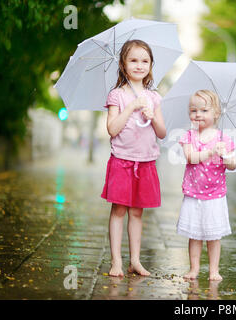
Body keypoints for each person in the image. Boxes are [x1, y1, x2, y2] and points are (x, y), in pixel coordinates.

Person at [101, 39, 166, 277]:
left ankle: (135, 261)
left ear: (150, 65)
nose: (139, 65)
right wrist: (131, 108)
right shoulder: (117, 95)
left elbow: (162, 132)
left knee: (137, 212)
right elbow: (112, 129)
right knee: (119, 210)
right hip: (122, 159)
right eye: (134, 60)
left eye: (145, 61)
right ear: (123, 64)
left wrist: (153, 115)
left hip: (146, 160)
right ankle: (116, 261)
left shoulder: (154, 97)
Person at [177, 90, 236, 281]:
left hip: (215, 195)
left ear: (216, 113)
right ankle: (194, 268)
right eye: (194, 110)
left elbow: (233, 165)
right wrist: (211, 152)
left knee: (213, 235)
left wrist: (225, 154)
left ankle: (213, 270)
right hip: (194, 193)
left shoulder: (224, 140)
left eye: (204, 110)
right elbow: (191, 157)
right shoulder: (189, 136)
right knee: (194, 234)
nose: (198, 114)